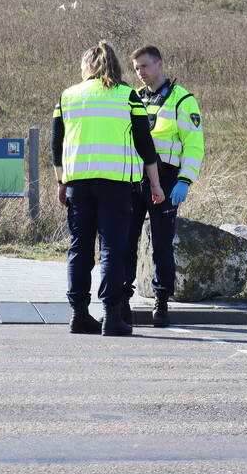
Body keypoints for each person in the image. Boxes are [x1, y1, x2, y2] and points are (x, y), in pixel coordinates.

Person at [51, 41, 165, 336]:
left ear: (87, 66)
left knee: (80, 249)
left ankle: (78, 315)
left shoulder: (68, 96)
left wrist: (61, 182)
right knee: (112, 251)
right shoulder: (127, 97)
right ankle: (112, 317)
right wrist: (155, 184)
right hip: (116, 186)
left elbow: (56, 145)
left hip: (78, 184)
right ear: (114, 65)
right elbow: (145, 144)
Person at [124, 45, 205, 327]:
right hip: (134, 178)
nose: (141, 73)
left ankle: (161, 301)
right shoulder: (134, 98)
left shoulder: (182, 100)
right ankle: (123, 298)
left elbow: (194, 145)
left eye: (144, 67)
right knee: (126, 240)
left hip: (168, 179)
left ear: (159, 64)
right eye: (136, 69)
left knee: (161, 243)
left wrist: (185, 180)